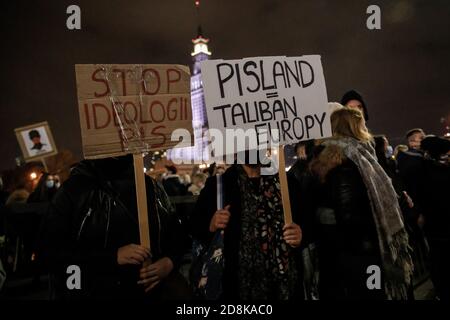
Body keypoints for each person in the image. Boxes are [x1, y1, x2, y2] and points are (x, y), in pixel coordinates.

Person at [39, 155, 186, 299]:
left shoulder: (151, 187)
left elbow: (176, 236)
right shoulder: (74, 190)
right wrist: (112, 257)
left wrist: (169, 262)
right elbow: (51, 252)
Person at [310, 108, 413, 300]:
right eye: (362, 124)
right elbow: (349, 216)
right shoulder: (347, 162)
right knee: (372, 293)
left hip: (353, 250)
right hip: (362, 251)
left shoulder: (342, 157)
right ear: (353, 127)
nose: (366, 128)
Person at [191, 153, 304, 300]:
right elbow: (195, 227)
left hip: (283, 286)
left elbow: (309, 222)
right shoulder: (219, 185)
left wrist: (300, 234)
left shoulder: (287, 183)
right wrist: (211, 224)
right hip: (235, 286)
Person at [417, 136, 450, 300]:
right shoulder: (439, 171)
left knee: (438, 261)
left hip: (434, 226)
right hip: (440, 225)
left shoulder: (422, 171)